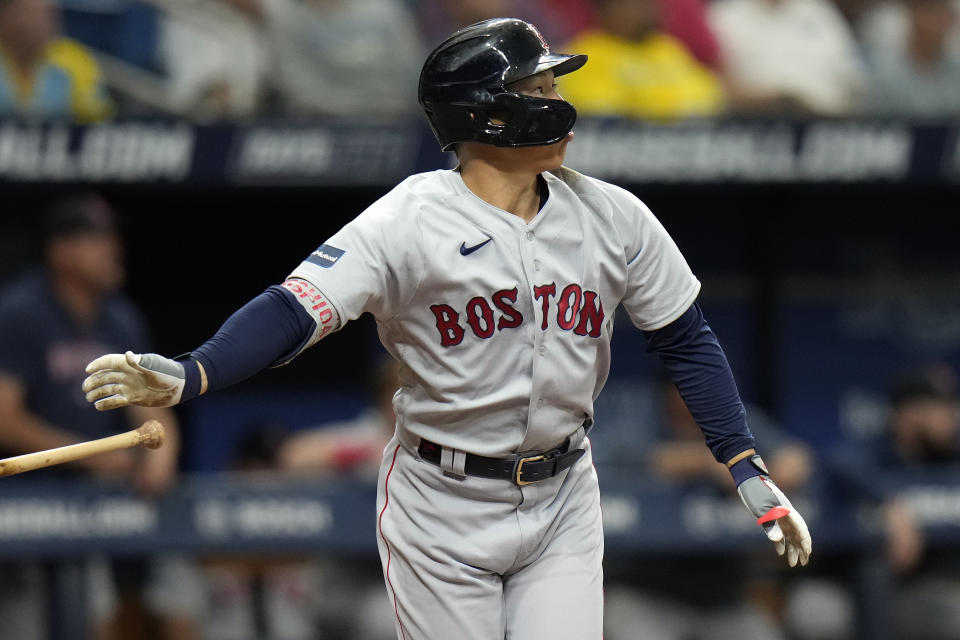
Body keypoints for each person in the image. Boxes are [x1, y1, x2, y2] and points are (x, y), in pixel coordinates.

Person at [79, 18, 812, 639]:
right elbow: (295, 307)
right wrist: (194, 370)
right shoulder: (409, 219)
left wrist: (745, 465)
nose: (558, 101)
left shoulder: (613, 215)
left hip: (562, 494)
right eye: (538, 89)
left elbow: (685, 338)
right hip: (441, 502)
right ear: (484, 114)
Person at [0, 194, 198, 640]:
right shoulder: (20, 313)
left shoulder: (119, 318)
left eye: (112, 237)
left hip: (115, 489)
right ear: (60, 251)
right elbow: (4, 419)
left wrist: (160, 459)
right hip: (36, 493)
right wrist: (96, 459)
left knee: (178, 585)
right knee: (72, 611)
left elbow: (154, 410)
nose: (114, 247)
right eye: (98, 238)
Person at [558, 0, 726, 121]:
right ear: (606, 10)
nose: (648, 10)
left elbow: (709, 100)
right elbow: (603, 114)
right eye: (637, 4)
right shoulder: (587, 54)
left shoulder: (667, 48)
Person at [708, 0, 867, 115]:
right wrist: (782, 101)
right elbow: (719, 86)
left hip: (827, 128)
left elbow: (853, 79)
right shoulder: (725, 16)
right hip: (753, 128)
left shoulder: (818, 11)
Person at [0, 0, 114, 121]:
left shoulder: (74, 59)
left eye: (48, 15)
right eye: (32, 15)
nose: (43, 24)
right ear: (5, 18)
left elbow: (99, 123)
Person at [858, 0, 960, 116]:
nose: (944, 22)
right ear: (916, 15)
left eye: (948, 15)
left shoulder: (956, 69)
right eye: (937, 14)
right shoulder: (883, 68)